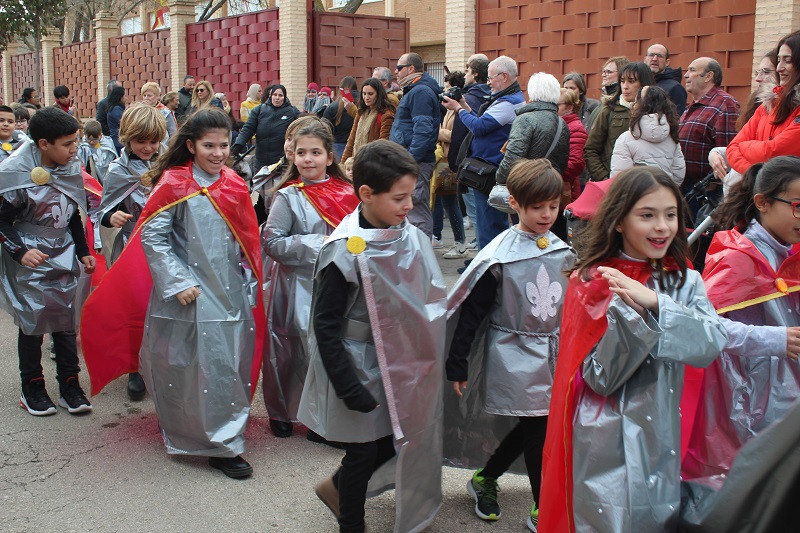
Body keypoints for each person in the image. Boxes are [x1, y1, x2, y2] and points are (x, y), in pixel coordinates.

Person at [538, 166, 727, 531]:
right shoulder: (592, 279)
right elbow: (599, 378)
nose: (662, 226)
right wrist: (631, 314)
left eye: (670, 215)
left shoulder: (686, 279)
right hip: (605, 438)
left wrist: (657, 304)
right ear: (619, 221)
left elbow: (710, 344)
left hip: (666, 433)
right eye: (647, 215)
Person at [81, 108, 263, 478]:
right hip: (190, 293)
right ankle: (203, 438)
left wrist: (250, 278)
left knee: (228, 363)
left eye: (224, 145)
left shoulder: (234, 182)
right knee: (187, 366)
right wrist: (178, 281)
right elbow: (153, 234)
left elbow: (247, 239)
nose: (217, 152)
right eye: (208, 145)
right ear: (191, 145)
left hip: (231, 289)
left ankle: (225, 438)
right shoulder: (174, 182)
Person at [299, 139, 446, 533]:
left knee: (389, 441)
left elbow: (427, 295)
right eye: (399, 198)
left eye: (411, 196)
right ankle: (351, 522)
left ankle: (336, 488)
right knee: (362, 451)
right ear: (366, 194)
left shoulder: (406, 233)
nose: (409, 206)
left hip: (398, 362)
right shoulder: (343, 251)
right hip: (356, 365)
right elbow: (326, 326)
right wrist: (348, 385)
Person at [444, 159, 575, 532]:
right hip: (514, 352)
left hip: (552, 351)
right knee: (538, 429)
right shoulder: (499, 254)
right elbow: (471, 312)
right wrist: (458, 362)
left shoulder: (560, 249)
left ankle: (486, 477)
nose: (547, 214)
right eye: (537, 207)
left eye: (553, 205)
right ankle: (543, 507)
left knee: (540, 425)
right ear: (515, 203)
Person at [682, 156, 800, 484]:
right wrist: (775, 339)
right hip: (750, 405)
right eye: (798, 206)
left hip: (786, 398)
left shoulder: (788, 252)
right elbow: (701, 327)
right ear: (762, 203)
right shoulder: (738, 257)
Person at [262, 121, 360, 438]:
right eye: (302, 153)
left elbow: (362, 238)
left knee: (327, 349)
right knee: (288, 348)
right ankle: (282, 411)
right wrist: (320, 245)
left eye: (315, 152)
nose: (308, 159)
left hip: (336, 285)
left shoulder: (349, 194)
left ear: (330, 157)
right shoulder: (287, 197)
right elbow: (272, 242)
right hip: (293, 285)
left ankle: (319, 416)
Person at [0, 106, 96, 416]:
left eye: (76, 141)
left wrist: (83, 251)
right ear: (44, 144)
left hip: (64, 253)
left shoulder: (69, 168)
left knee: (66, 320)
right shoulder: (15, 174)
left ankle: (70, 384)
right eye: (67, 143)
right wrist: (20, 252)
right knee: (34, 322)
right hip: (30, 255)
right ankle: (32, 387)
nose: (74, 149)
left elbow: (72, 215)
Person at [444, 55, 525, 247]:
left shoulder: (508, 103)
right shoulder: (507, 99)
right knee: (487, 223)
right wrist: (464, 105)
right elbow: (482, 123)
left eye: (491, 78)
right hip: (487, 171)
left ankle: (488, 269)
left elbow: (479, 127)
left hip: (489, 173)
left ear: (504, 77)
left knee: (489, 226)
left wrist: (458, 109)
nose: (488, 83)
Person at [493, 71, 569, 240]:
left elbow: (512, 157)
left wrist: (499, 178)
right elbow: (563, 162)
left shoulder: (525, 119)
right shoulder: (562, 123)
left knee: (524, 233)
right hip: (549, 187)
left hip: (526, 187)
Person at [726, 31, 800, 175]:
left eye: (788, 60)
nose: (779, 68)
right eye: (779, 60)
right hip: (760, 190)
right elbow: (732, 147)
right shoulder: (767, 105)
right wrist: (754, 175)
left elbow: (773, 151)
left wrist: (745, 147)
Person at [389, 52, 442, 237]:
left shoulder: (420, 92)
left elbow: (423, 130)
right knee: (412, 208)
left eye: (399, 67)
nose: (395, 71)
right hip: (410, 160)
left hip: (415, 162)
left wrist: (410, 160)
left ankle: (421, 255)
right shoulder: (415, 90)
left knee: (415, 207)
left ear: (411, 69)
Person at [678, 57, 739, 209]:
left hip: (706, 194)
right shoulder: (692, 106)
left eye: (692, 70)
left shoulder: (726, 104)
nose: (686, 75)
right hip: (687, 190)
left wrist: (713, 184)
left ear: (708, 76)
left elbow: (728, 150)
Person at [584, 61, 654, 182]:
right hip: (614, 184)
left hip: (648, 185)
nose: (625, 86)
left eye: (631, 81)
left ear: (644, 83)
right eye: (622, 81)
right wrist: (604, 177)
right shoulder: (609, 110)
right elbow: (590, 149)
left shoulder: (658, 113)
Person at [449, 54, 491, 243]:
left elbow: (461, 132)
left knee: (479, 215)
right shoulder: (489, 97)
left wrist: (454, 162)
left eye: (467, 70)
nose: (465, 74)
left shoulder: (472, 98)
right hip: (482, 163)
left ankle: (481, 256)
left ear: (474, 74)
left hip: (472, 164)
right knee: (482, 215)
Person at [610, 85, 685, 185]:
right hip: (665, 195)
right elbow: (678, 173)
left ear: (639, 106)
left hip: (637, 196)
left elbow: (619, 178)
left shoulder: (626, 139)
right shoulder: (672, 138)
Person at [432, 71, 467, 258]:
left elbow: (457, 136)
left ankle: (460, 244)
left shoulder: (459, 108)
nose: (444, 92)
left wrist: (438, 133)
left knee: (450, 202)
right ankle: (459, 242)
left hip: (452, 161)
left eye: (447, 88)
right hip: (445, 159)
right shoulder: (449, 109)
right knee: (447, 201)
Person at [232, 84, 301, 172]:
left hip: (282, 162)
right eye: (275, 95)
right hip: (261, 161)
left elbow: (304, 125)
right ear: (270, 96)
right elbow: (248, 129)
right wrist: (238, 145)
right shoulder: (259, 110)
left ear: (284, 97)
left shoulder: (292, 111)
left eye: (280, 95)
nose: (277, 98)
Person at [341, 78, 396, 164]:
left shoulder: (386, 114)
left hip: (373, 164)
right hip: (356, 162)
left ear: (378, 94)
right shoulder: (361, 113)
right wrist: (343, 164)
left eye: (370, 94)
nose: (366, 97)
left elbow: (384, 144)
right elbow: (351, 141)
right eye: (364, 93)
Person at [584, 57, 629, 135]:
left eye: (609, 72)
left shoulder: (620, 100)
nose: (604, 75)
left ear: (621, 74)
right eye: (603, 71)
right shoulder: (606, 97)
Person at [558, 87, 588, 203]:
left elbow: (576, 163)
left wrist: (550, 173)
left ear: (570, 107)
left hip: (562, 188)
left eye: (558, 105)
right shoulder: (557, 124)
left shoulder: (576, 128)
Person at [645, 43, 688, 115]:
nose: (654, 59)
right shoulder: (639, 82)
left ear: (667, 62)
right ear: (645, 59)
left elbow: (677, 120)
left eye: (659, 56)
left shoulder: (675, 88)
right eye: (651, 55)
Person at [324, 76, 359, 159]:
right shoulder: (363, 103)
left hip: (337, 145)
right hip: (357, 144)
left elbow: (325, 126)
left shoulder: (333, 107)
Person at [106, 86, 127, 153]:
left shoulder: (115, 108)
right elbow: (125, 123)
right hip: (118, 142)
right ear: (120, 97)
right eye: (125, 96)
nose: (126, 98)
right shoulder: (116, 109)